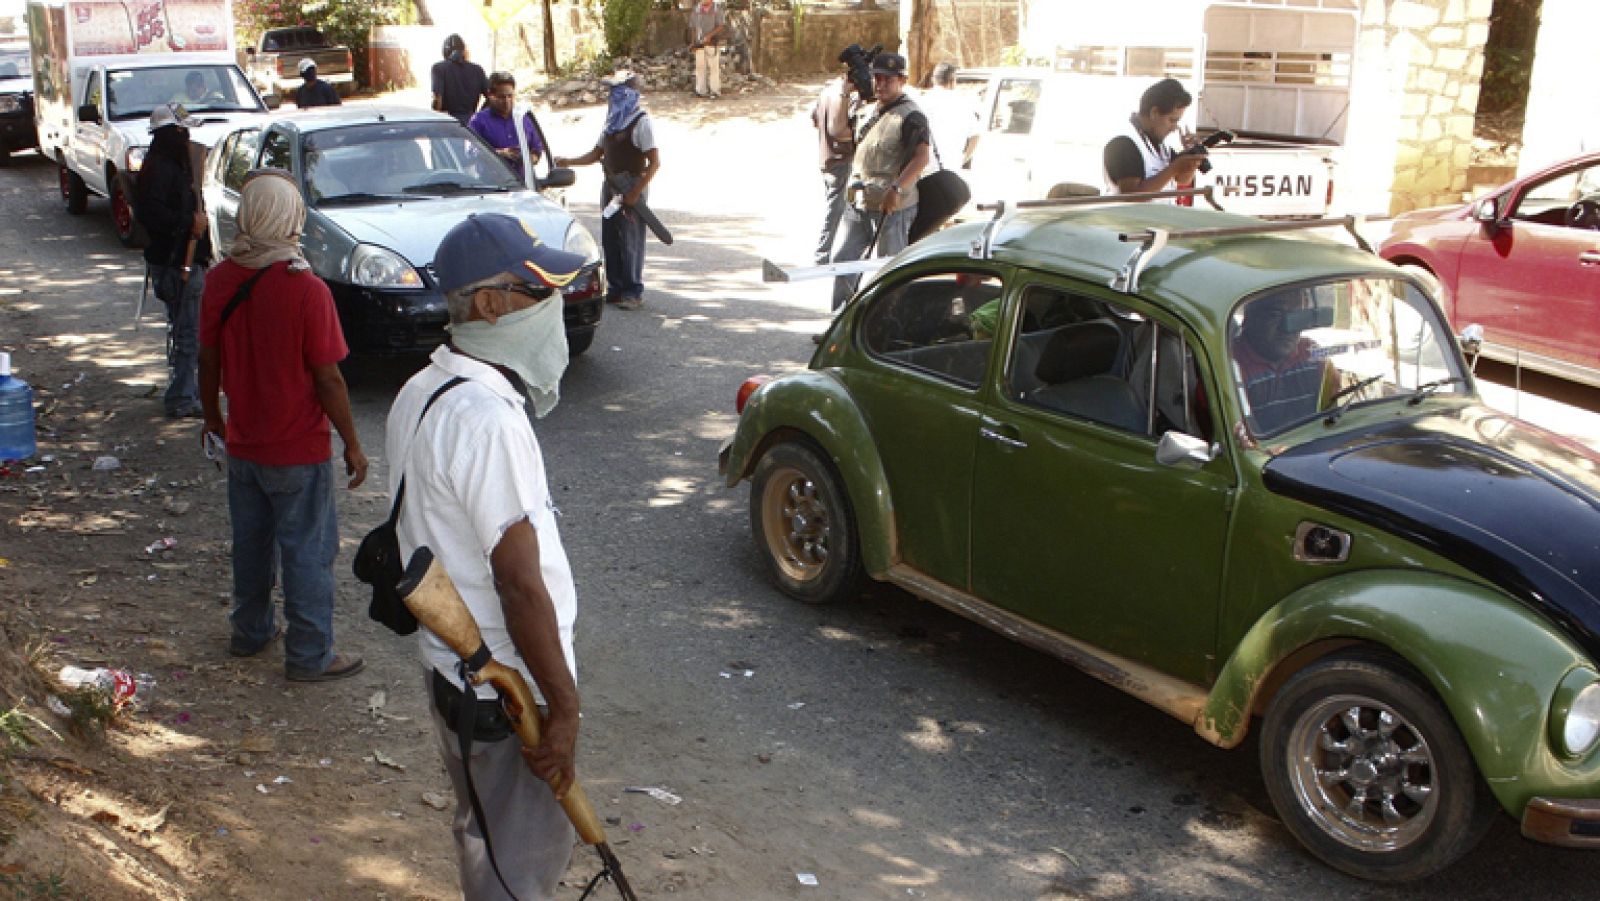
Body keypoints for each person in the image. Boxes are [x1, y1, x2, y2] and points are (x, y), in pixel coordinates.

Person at [386, 212, 587, 900]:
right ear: (491, 304)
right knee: (517, 867)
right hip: (505, 694)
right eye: (540, 291)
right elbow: (519, 585)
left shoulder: (422, 391)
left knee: (489, 843)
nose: (553, 306)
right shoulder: (487, 419)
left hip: (460, 678)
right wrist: (563, 708)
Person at [198, 169, 368, 683]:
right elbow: (329, 378)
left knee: (250, 544)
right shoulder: (306, 288)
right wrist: (354, 444)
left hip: (244, 444)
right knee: (308, 553)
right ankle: (310, 654)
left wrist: (213, 418)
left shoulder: (220, 278)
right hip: (297, 449)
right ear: (290, 217)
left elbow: (207, 359)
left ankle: (249, 633)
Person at [830, 52, 930, 312]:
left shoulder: (911, 116)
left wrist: (897, 189)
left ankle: (887, 325)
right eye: (877, 78)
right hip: (860, 203)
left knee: (890, 271)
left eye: (888, 79)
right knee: (843, 262)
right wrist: (844, 93)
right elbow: (838, 132)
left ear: (902, 80)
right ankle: (840, 322)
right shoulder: (867, 110)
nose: (881, 84)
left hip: (893, 208)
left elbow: (921, 158)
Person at [555, 72, 660, 312]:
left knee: (631, 239)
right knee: (610, 237)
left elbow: (654, 162)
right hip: (610, 186)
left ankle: (633, 291)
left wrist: (636, 192)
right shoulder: (612, 122)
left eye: (619, 93)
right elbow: (596, 154)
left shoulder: (641, 121)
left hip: (632, 184)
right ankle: (615, 288)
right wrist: (568, 161)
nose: (614, 98)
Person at [134, 102, 208, 419]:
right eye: (182, 131)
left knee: (188, 330)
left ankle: (185, 390)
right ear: (172, 134)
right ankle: (180, 396)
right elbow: (151, 214)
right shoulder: (158, 169)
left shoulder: (172, 165)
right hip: (175, 262)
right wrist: (187, 224)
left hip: (183, 261)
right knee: (187, 332)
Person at [1231, 289, 1334, 433]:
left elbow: (1333, 419)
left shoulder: (1312, 357)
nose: (1288, 328)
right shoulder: (1229, 366)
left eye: (1296, 316)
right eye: (1274, 315)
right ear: (1249, 318)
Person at [1103, 77, 1205, 198]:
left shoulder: (1160, 144)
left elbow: (1182, 179)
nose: (1174, 128)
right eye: (1172, 120)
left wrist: (1192, 158)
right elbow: (1131, 195)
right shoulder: (1123, 142)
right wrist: (1173, 168)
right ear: (1154, 113)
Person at [811, 58, 859, 266]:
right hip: (841, 159)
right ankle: (822, 253)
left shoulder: (826, 91)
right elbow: (841, 131)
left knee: (839, 207)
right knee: (835, 209)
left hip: (826, 156)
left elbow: (814, 119)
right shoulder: (845, 96)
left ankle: (827, 252)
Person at [469, 70, 544, 182]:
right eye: (502, 97)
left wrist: (528, 159)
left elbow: (537, 148)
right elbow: (471, 151)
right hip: (492, 185)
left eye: (510, 96)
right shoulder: (478, 121)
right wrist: (500, 154)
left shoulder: (523, 118)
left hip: (524, 184)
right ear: (490, 96)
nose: (507, 101)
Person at [918, 61, 979, 171]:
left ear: (933, 80)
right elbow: (975, 136)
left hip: (924, 170)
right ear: (953, 81)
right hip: (952, 170)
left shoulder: (921, 102)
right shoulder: (964, 103)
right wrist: (963, 159)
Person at [432, 33, 489, 126]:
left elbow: (437, 97)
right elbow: (491, 96)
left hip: (447, 120)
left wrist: (436, 119)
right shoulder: (477, 69)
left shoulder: (439, 68)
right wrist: (480, 114)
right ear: (463, 50)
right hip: (470, 120)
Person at [686, 0, 725, 99]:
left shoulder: (717, 8)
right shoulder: (697, 9)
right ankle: (700, 91)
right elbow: (693, 27)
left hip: (712, 42)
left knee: (713, 67)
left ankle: (715, 91)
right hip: (699, 43)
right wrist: (693, 43)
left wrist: (709, 36)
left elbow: (720, 26)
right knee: (700, 67)